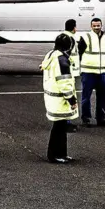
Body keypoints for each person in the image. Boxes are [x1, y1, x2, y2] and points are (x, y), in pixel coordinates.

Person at [41, 34, 78, 163]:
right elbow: (64, 82)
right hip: (60, 99)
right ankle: (55, 155)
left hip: (52, 97)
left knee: (60, 127)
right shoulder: (61, 59)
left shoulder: (51, 55)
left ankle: (61, 154)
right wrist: (71, 99)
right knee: (59, 129)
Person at [77, 17, 105, 127]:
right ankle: (86, 119)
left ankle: (101, 119)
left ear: (101, 25)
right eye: (94, 26)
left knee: (102, 97)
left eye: (98, 25)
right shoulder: (85, 37)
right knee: (86, 97)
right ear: (91, 26)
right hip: (88, 72)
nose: (96, 27)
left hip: (101, 72)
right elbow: (80, 53)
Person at [63, 18, 81, 132]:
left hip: (69, 70)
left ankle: (67, 121)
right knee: (69, 95)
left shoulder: (64, 37)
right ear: (74, 27)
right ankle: (66, 122)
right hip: (69, 71)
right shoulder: (69, 38)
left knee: (68, 95)